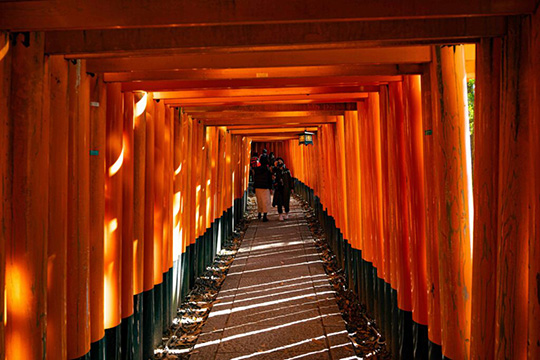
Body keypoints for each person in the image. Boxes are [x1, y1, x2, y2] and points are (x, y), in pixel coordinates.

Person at [253, 155, 272, 222]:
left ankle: (259, 213)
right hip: (265, 187)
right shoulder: (267, 170)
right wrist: (271, 187)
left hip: (257, 186)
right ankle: (264, 215)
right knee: (265, 201)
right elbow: (270, 180)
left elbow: (254, 179)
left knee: (259, 201)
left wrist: (254, 187)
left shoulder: (257, 169)